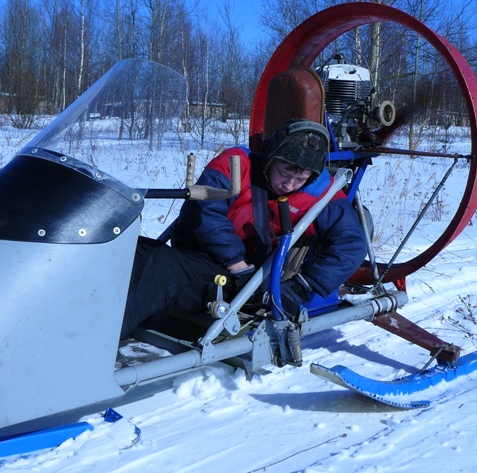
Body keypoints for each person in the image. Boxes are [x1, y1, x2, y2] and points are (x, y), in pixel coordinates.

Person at [120, 119, 366, 340]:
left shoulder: (320, 195)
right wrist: (235, 261)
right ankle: (88, 319)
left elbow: (352, 244)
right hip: (215, 261)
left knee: (160, 266)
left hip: (246, 285)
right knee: (122, 249)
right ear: (271, 158)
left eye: (300, 178)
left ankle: (98, 346)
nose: (290, 184)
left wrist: (303, 286)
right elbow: (204, 210)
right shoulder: (236, 164)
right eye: (285, 173)